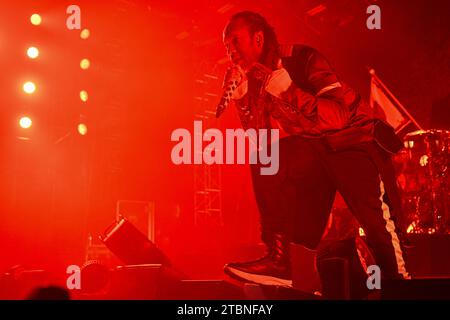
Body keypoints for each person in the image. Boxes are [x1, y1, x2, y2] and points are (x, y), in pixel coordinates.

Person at [220, 11, 409, 288]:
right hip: (317, 150)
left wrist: (289, 91)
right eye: (227, 47)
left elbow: (337, 117)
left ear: (257, 39)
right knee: (266, 158)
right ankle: (279, 260)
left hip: (353, 141)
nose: (231, 52)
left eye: (234, 42)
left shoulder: (303, 58)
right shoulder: (258, 80)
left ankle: (401, 286)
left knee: (377, 227)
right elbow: (261, 140)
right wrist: (243, 101)